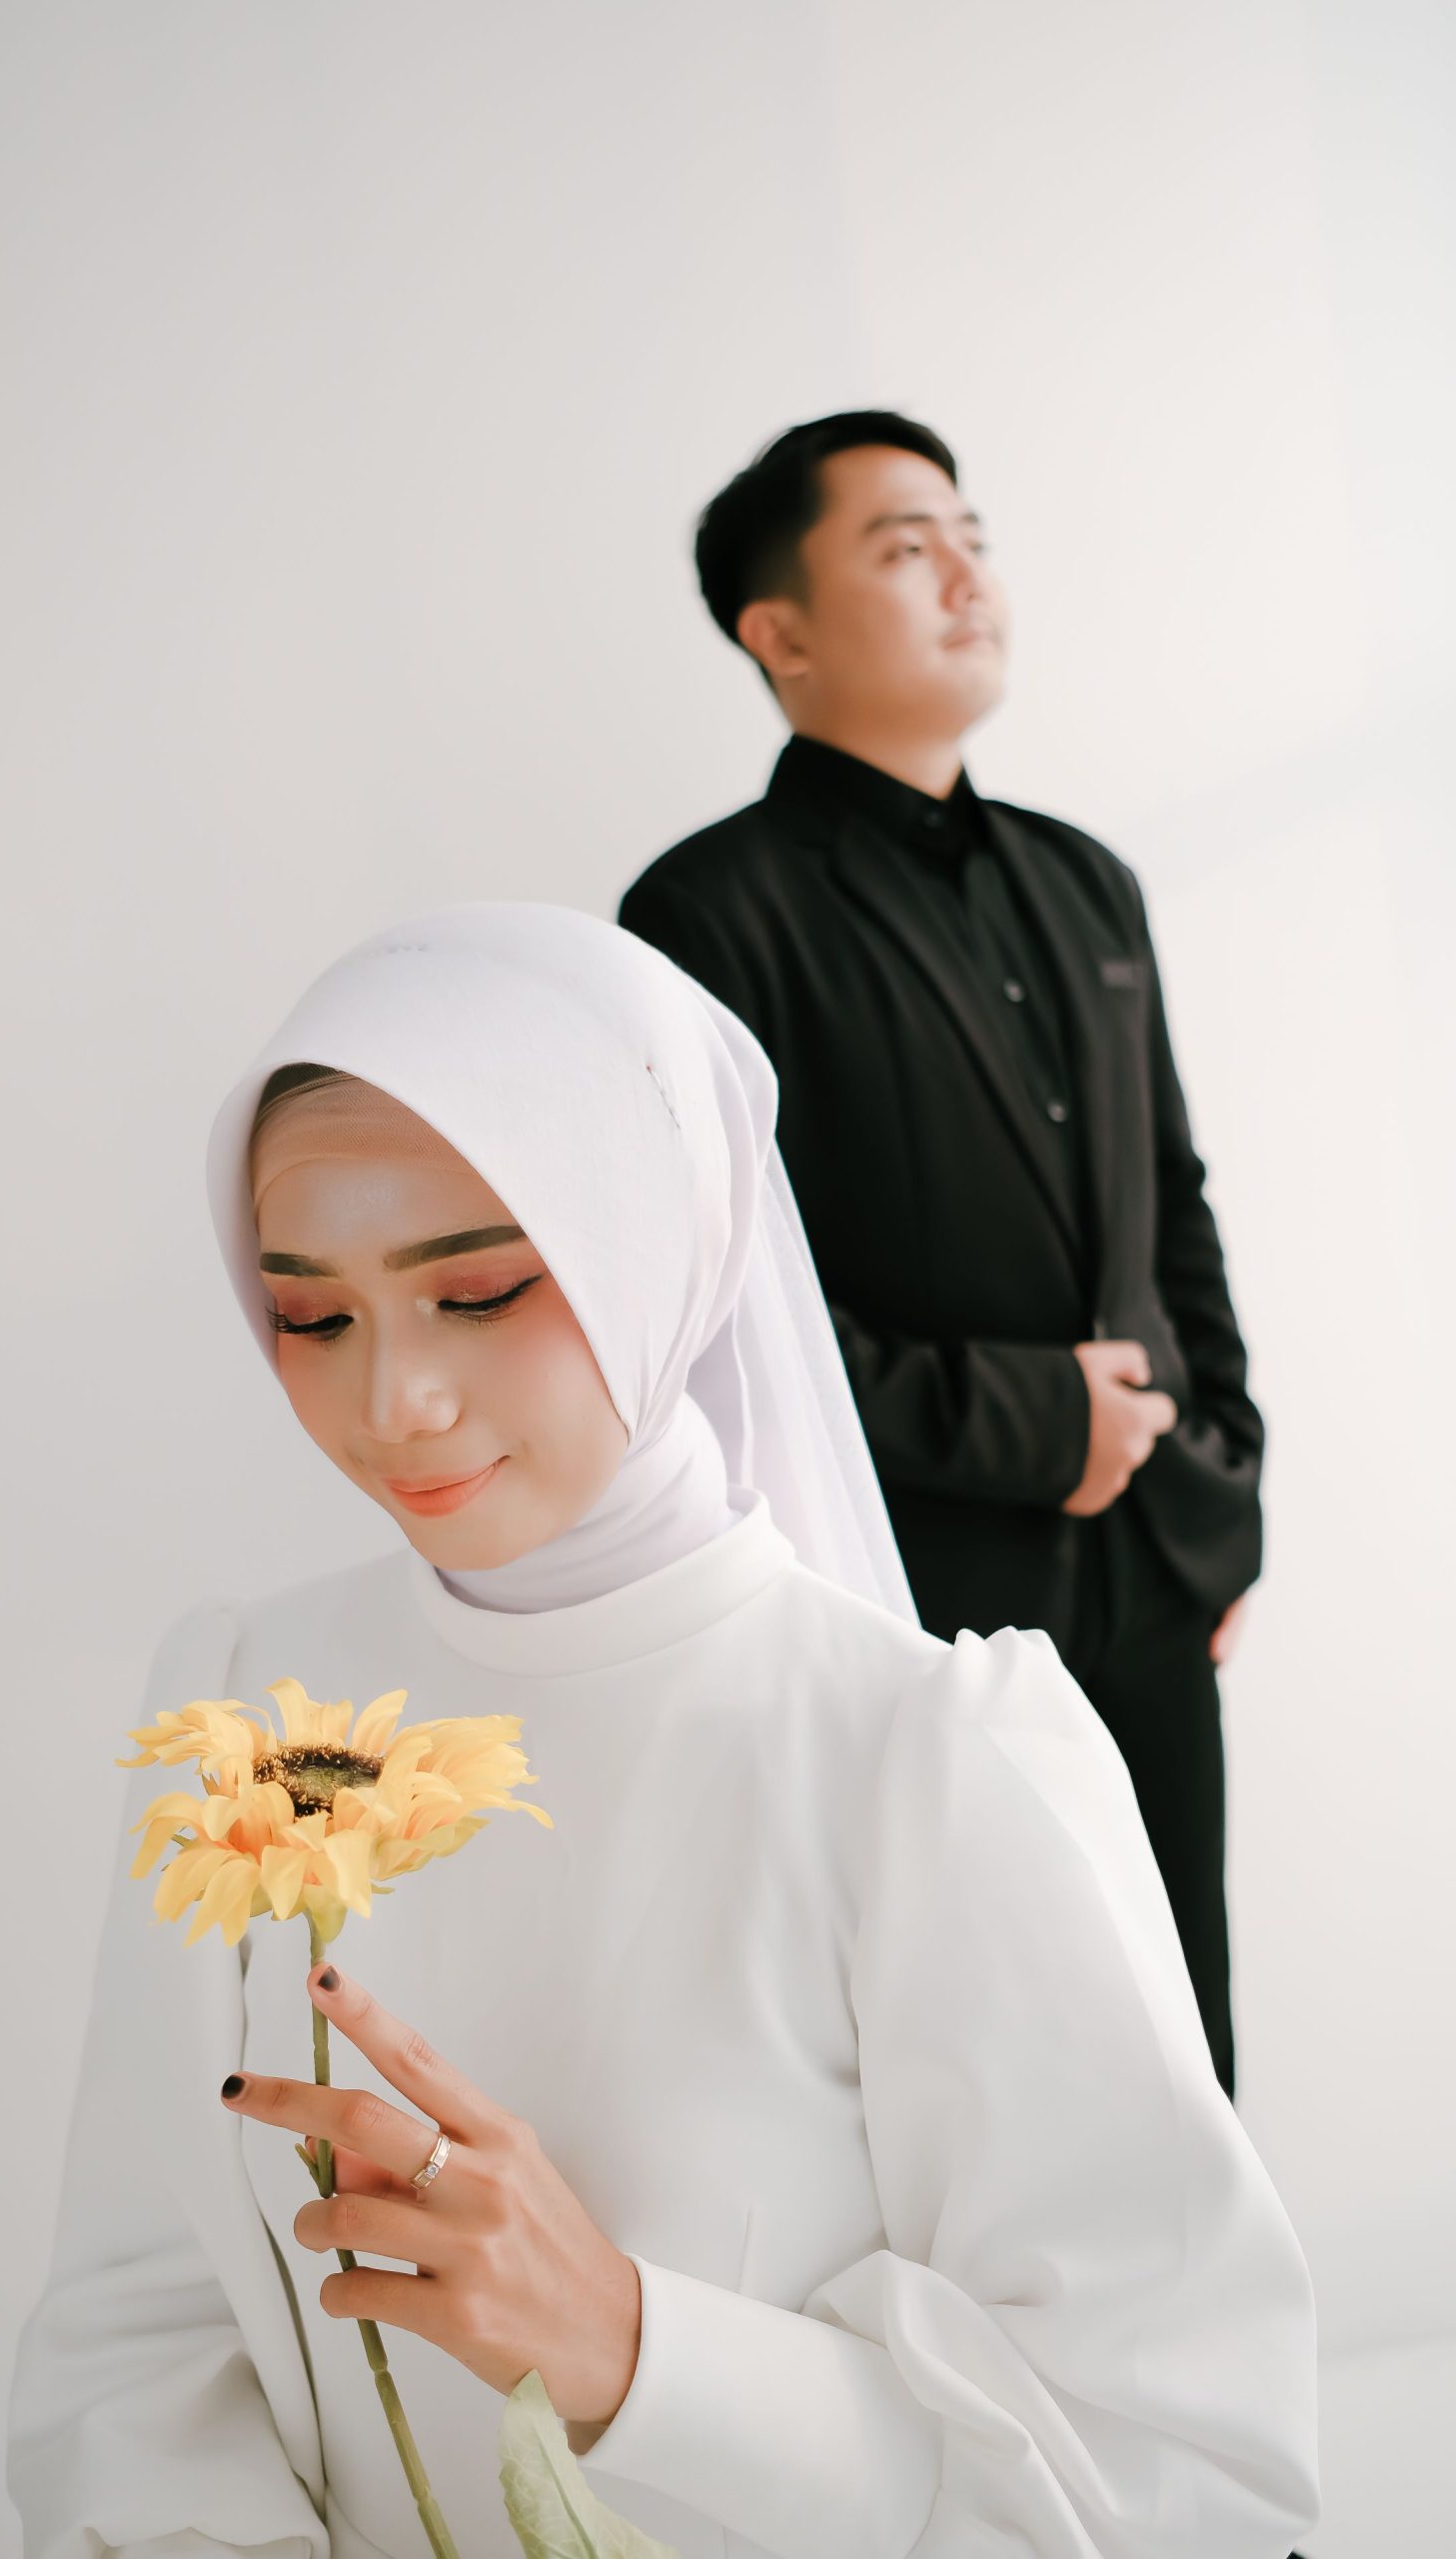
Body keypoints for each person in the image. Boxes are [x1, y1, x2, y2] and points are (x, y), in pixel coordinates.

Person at [8, 903, 1316, 2559]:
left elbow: (1183, 2477)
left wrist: (635, 2352)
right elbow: (142, 2330)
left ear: (661, 1244)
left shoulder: (926, 1756)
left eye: (479, 1291)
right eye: (313, 1316)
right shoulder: (256, 1707)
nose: (395, 1402)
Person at [620, 410, 1261, 2094]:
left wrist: (1224, 1494)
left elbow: (1175, 1206)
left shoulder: (1088, 883)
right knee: (990, 2077)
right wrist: (1042, 1425)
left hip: (1155, 1572)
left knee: (1186, 2059)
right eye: (907, 548)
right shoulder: (705, 915)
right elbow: (722, 1321)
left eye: (972, 536)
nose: (969, 575)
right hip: (914, 1602)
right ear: (782, 633)